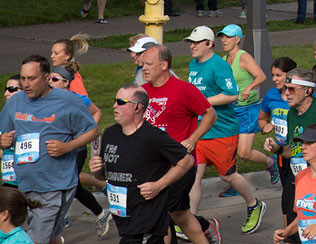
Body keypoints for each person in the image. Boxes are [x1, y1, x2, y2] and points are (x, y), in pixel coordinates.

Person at [0, 56, 99, 244]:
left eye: (32, 78)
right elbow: (3, 137)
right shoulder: (15, 101)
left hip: (55, 185)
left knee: (35, 239)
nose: (26, 84)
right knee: (48, 236)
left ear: (46, 78)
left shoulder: (68, 100)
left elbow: (93, 131)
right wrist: (4, 141)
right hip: (25, 183)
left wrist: (67, 146)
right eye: (23, 79)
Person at [89, 84, 196, 244]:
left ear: (137, 107)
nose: (114, 106)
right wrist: (97, 170)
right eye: (114, 101)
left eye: (120, 102)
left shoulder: (153, 137)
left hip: (147, 221)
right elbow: (105, 176)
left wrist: (159, 185)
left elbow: (187, 160)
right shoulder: (111, 134)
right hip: (123, 217)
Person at [182, 26, 263, 232]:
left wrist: (203, 103)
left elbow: (231, 94)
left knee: (227, 176)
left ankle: (254, 204)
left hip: (222, 131)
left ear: (209, 44)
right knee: (195, 176)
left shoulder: (219, 65)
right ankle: (189, 222)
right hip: (201, 131)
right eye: (190, 42)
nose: (192, 46)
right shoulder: (193, 64)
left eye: (196, 42)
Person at [135, 45, 216, 244]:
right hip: (152, 166)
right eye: (143, 64)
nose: (144, 68)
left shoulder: (184, 90)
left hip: (179, 165)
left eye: (149, 64)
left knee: (161, 214)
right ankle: (206, 230)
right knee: (180, 214)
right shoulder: (142, 92)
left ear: (164, 65)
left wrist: (193, 139)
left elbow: (210, 115)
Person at [218, 25, 273, 183]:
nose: (224, 40)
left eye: (228, 37)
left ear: (237, 39)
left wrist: (249, 88)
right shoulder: (224, 59)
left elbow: (261, 77)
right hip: (231, 109)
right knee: (230, 149)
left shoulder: (243, 57)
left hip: (247, 109)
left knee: (243, 152)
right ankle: (234, 183)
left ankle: (270, 162)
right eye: (222, 37)